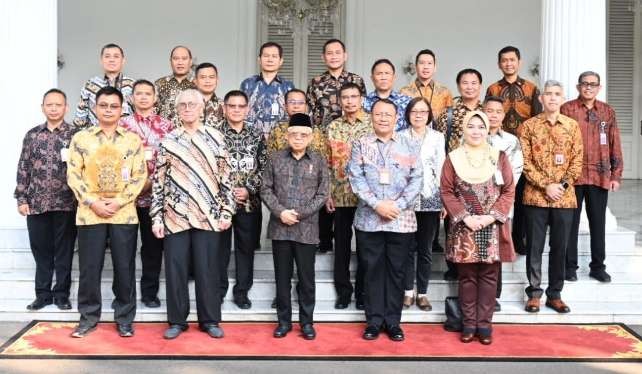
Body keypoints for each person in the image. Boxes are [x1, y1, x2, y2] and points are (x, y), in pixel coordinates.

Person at [150, 89, 235, 340]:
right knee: (175, 270)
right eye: (183, 105)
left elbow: (226, 178)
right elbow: (159, 182)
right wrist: (156, 217)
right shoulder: (168, 140)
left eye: (192, 104)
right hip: (174, 215)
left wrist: (227, 210)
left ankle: (209, 320)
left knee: (208, 269)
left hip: (207, 215)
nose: (187, 108)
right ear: (177, 110)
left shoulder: (216, 138)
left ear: (202, 108)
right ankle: (177, 321)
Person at [67, 86, 147, 338]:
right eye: (104, 105)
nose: (109, 110)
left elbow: (140, 176)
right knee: (90, 268)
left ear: (122, 109)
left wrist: (119, 201)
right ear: (95, 108)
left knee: (125, 267)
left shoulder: (132, 140)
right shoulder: (81, 138)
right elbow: (73, 174)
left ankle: (124, 318)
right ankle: (88, 317)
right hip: (90, 214)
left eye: (114, 106)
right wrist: (93, 202)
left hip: (123, 213)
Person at [348, 99, 422, 342]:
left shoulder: (409, 144)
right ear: (371, 116)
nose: (382, 118)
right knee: (371, 271)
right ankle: (373, 321)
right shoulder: (361, 144)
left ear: (396, 117)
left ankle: (393, 322)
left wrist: (396, 206)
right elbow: (356, 178)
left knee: (396, 272)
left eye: (387, 115)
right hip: (370, 219)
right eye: (378, 114)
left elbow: (417, 179)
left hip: (401, 221)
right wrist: (377, 204)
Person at [440, 110, 516, 345]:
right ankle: (469, 323)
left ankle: (485, 324)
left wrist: (490, 217)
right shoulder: (453, 157)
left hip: (492, 226)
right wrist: (465, 217)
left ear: (487, 130)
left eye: (481, 127)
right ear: (464, 129)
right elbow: (446, 191)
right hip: (465, 228)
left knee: (490, 276)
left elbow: (508, 190)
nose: (476, 131)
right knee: (467, 277)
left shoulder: (499, 156)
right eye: (471, 126)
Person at [261, 113, 329, 340]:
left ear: (310, 137)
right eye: (294, 134)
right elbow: (265, 189)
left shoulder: (319, 160)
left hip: (307, 229)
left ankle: (307, 323)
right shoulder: (275, 158)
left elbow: (322, 193)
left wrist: (300, 214)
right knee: (282, 278)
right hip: (280, 229)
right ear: (287, 135)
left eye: (303, 134)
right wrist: (281, 212)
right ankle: (283, 322)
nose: (298, 138)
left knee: (307, 279)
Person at [520, 80, 583, 314]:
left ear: (562, 97)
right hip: (535, 197)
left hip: (564, 199)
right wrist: (546, 185)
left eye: (557, 94)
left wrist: (561, 186)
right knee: (535, 247)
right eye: (548, 94)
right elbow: (525, 163)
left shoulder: (572, 126)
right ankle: (534, 294)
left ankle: (555, 294)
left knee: (560, 247)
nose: (553, 98)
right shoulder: (528, 127)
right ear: (541, 98)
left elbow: (577, 162)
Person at [15, 88, 78, 311]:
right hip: (36, 203)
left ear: (66, 107)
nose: (53, 108)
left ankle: (61, 294)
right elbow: (23, 168)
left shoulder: (75, 135)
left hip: (66, 203)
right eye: (49, 104)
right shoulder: (32, 135)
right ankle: (42, 294)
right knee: (41, 250)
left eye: (58, 104)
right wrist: (21, 198)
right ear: (43, 107)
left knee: (64, 250)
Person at [561, 71, 623, 283]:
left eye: (593, 84)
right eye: (584, 84)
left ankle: (598, 267)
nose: (588, 88)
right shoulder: (567, 109)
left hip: (599, 175)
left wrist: (616, 175)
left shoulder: (607, 111)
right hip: (572, 177)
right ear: (578, 87)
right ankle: (569, 267)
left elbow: (615, 144)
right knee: (570, 223)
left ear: (599, 87)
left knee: (598, 223)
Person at [119, 79, 174, 308]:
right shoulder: (122, 125)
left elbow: (171, 160)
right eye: (138, 93)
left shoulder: (167, 126)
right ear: (131, 98)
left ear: (155, 98)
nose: (142, 97)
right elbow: (114, 160)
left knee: (152, 248)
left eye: (147, 93)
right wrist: (131, 185)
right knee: (124, 250)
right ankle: (124, 295)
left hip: (155, 198)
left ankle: (149, 293)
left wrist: (152, 182)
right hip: (126, 198)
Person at [486, 46, 542, 256]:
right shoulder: (492, 89)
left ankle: (519, 239)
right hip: (495, 148)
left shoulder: (531, 88)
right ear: (499, 64)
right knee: (495, 194)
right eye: (504, 60)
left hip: (521, 150)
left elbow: (537, 120)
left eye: (512, 60)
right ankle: (497, 237)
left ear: (519, 62)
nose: (508, 63)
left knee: (520, 196)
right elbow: (486, 116)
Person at [218, 90, 267, 309]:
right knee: (218, 250)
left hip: (250, 203)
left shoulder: (257, 135)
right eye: (232, 106)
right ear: (224, 108)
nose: (236, 110)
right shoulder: (214, 133)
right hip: (220, 204)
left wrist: (248, 189)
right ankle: (217, 291)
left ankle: (242, 292)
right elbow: (208, 167)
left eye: (240, 106)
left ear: (247, 109)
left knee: (245, 249)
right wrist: (228, 190)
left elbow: (265, 167)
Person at [326, 83, 372, 310]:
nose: (350, 101)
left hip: (367, 198)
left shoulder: (374, 124)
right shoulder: (333, 127)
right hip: (341, 195)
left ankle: (363, 293)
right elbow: (327, 162)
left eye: (354, 96)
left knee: (365, 247)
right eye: (345, 97)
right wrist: (327, 193)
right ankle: (343, 292)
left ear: (361, 99)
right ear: (340, 100)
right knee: (341, 246)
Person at [435, 68, 484, 281]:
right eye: (465, 83)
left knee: (481, 220)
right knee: (454, 221)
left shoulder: (487, 112)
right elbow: (440, 145)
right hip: (455, 175)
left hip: (483, 175)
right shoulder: (449, 113)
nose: (469, 86)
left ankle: (479, 263)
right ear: (458, 85)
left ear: (480, 86)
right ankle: (453, 265)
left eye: (474, 83)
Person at [398, 97, 445, 311]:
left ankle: (423, 293)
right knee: (407, 248)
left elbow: (442, 167)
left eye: (423, 112)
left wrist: (443, 199)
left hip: (430, 197)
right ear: (408, 114)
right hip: (406, 199)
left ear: (429, 115)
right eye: (414, 111)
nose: (418, 115)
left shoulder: (437, 137)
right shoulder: (399, 137)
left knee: (425, 248)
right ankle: (408, 292)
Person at [484, 96, 523, 311]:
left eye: (498, 111)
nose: (493, 115)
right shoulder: (472, 136)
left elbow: (516, 171)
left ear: (503, 115)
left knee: (496, 249)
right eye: (489, 110)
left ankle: (494, 295)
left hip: (501, 201)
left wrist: (500, 197)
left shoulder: (511, 141)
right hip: (476, 203)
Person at [306, 38, 367, 128]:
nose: (334, 56)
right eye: (329, 53)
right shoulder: (315, 82)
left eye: (338, 53)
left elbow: (363, 108)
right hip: (323, 134)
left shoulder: (356, 80)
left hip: (352, 132)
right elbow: (310, 111)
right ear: (323, 57)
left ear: (345, 56)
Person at [241, 42, 295, 139]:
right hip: (251, 138)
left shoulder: (288, 86)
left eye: (274, 56)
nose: (270, 59)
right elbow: (241, 111)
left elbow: (294, 113)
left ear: (281, 61)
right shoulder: (248, 84)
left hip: (281, 139)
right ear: (259, 60)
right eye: (266, 56)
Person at [73, 43, 134, 128]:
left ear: (123, 60)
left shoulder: (132, 85)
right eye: (107, 56)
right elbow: (80, 117)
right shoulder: (90, 85)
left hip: (126, 137)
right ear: (101, 61)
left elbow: (140, 116)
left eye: (116, 56)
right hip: (95, 138)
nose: (111, 60)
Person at [400, 49, 453, 118]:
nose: (425, 67)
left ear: (435, 67)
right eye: (422, 63)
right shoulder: (405, 92)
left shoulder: (445, 92)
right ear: (415, 67)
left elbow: (450, 119)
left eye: (429, 63)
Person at [363, 59, 412, 131]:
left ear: (394, 77)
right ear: (372, 78)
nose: (383, 77)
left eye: (387, 73)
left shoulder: (407, 101)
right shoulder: (363, 102)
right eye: (379, 74)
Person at [155, 45, 196, 127]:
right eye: (176, 59)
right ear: (170, 61)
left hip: (191, 135)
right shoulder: (159, 84)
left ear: (190, 61)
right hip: (165, 135)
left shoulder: (197, 85)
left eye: (184, 59)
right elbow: (152, 113)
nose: (180, 62)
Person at [194, 62, 225, 128]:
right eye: (203, 77)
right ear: (195, 81)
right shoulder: (185, 105)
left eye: (211, 77)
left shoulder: (225, 106)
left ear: (217, 80)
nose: (207, 81)